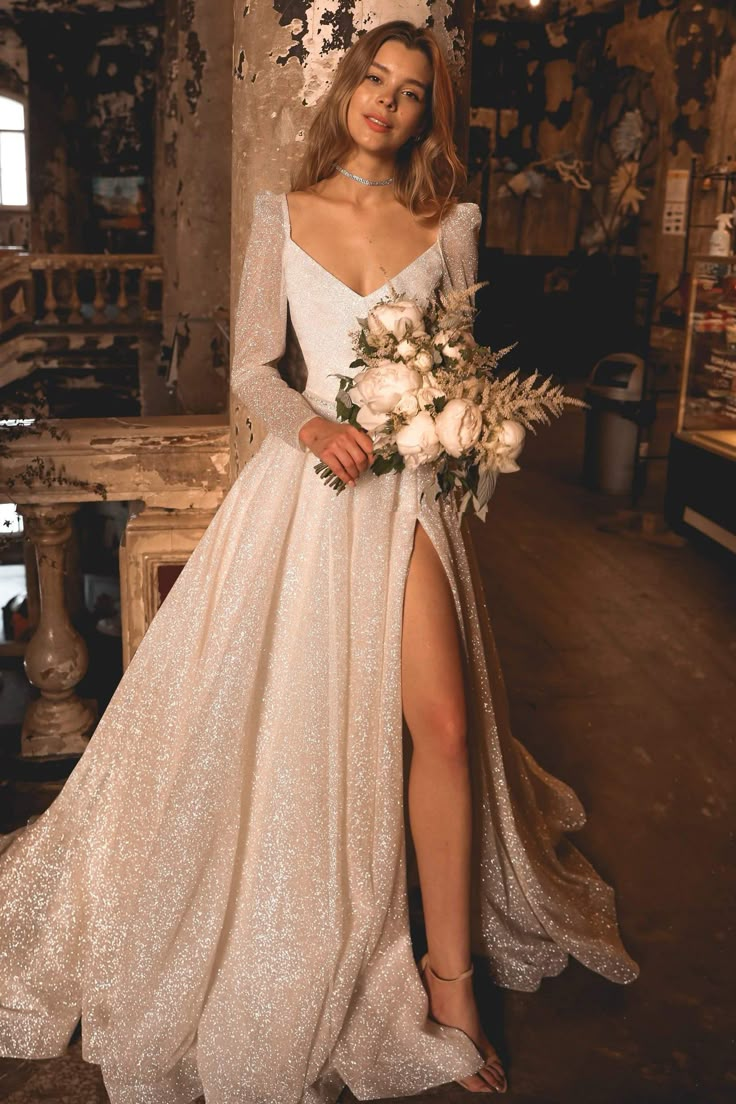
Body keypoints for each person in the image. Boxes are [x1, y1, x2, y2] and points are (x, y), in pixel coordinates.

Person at [0, 19, 639, 1104]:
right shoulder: (279, 214)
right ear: (347, 88)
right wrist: (309, 427)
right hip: (309, 490)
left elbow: (469, 371)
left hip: (415, 501)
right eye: (373, 80)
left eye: (409, 91)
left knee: (439, 725)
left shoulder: (452, 223)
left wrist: (455, 424)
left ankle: (448, 982)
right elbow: (254, 365)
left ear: (428, 113)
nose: (386, 102)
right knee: (291, 725)